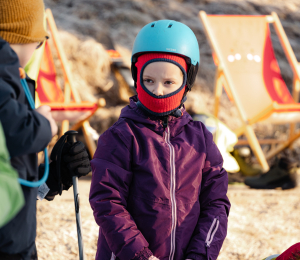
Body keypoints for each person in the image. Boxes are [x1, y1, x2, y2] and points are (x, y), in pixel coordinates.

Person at [89, 20, 230, 260]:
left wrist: (200, 254)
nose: (158, 91)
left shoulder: (201, 140)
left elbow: (216, 204)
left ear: (187, 82)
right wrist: (141, 255)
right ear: (137, 77)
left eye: (168, 83)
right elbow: (107, 202)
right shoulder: (122, 136)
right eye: (149, 81)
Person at [0, 0, 91, 259]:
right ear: (20, 37)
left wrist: (50, 178)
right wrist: (44, 125)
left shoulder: (17, 84)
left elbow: (12, 174)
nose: (38, 48)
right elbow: (18, 133)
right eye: (38, 41)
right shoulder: (4, 84)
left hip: (17, 243)